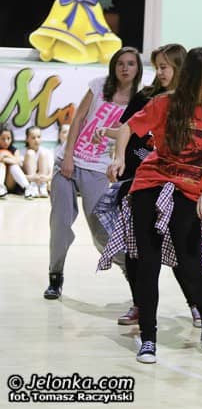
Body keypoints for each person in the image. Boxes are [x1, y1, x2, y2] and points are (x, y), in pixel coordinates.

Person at [102, 47, 202, 363]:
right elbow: (127, 128)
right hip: (150, 182)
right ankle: (148, 338)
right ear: (192, 78)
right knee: (146, 263)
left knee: (189, 264)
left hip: (189, 190)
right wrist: (119, 157)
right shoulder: (164, 103)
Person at [94, 44, 202, 327]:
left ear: (179, 67)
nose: (160, 72)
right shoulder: (145, 96)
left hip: (175, 184)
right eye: (157, 67)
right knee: (137, 249)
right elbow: (126, 129)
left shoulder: (191, 101)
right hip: (137, 180)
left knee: (181, 247)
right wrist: (117, 154)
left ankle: (196, 303)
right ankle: (140, 305)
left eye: (165, 67)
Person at [44, 46, 143, 299]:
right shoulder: (99, 85)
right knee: (60, 222)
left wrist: (118, 162)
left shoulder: (139, 100)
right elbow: (78, 119)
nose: (125, 68)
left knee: (101, 229)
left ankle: (130, 270)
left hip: (98, 169)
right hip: (68, 163)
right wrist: (68, 156)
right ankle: (55, 276)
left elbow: (129, 135)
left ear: (138, 68)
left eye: (131, 63)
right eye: (120, 63)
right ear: (113, 66)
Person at [0, 123, 32, 198]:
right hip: (2, 181)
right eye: (3, 139)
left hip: (10, 182)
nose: (6, 141)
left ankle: (27, 188)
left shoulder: (14, 150)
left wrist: (5, 155)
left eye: (8, 138)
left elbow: (19, 162)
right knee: (1, 164)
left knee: (13, 165)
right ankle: (0, 187)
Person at [22, 126, 53, 198]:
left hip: (43, 180)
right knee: (30, 153)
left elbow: (52, 171)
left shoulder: (46, 152)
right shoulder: (22, 152)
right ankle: (33, 187)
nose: (36, 140)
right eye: (33, 138)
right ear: (27, 139)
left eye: (39, 137)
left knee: (43, 154)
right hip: (29, 181)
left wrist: (46, 178)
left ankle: (42, 187)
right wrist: (32, 178)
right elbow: (19, 174)